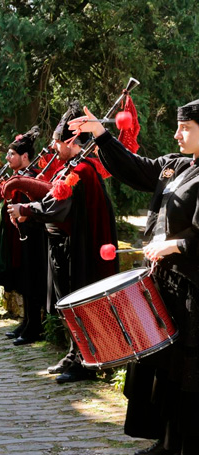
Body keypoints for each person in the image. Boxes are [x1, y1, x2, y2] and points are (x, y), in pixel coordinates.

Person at [69, 101, 199, 455]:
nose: (176, 133)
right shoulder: (175, 165)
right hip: (165, 285)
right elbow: (136, 168)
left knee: (187, 376)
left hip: (192, 291)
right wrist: (102, 136)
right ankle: (167, 443)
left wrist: (175, 244)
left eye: (185, 127)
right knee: (165, 372)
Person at [8, 101, 118, 383]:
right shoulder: (72, 167)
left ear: (70, 141)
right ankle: (74, 352)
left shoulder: (81, 171)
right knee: (67, 303)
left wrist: (27, 210)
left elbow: (57, 207)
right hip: (62, 248)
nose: (54, 147)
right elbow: (51, 199)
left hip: (75, 250)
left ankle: (86, 362)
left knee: (77, 302)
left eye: (57, 142)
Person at [0, 127, 47, 345]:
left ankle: (35, 326)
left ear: (25, 156)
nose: (8, 158)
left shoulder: (34, 178)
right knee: (25, 281)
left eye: (12, 154)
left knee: (32, 281)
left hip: (35, 236)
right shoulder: (18, 177)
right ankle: (27, 321)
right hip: (21, 237)